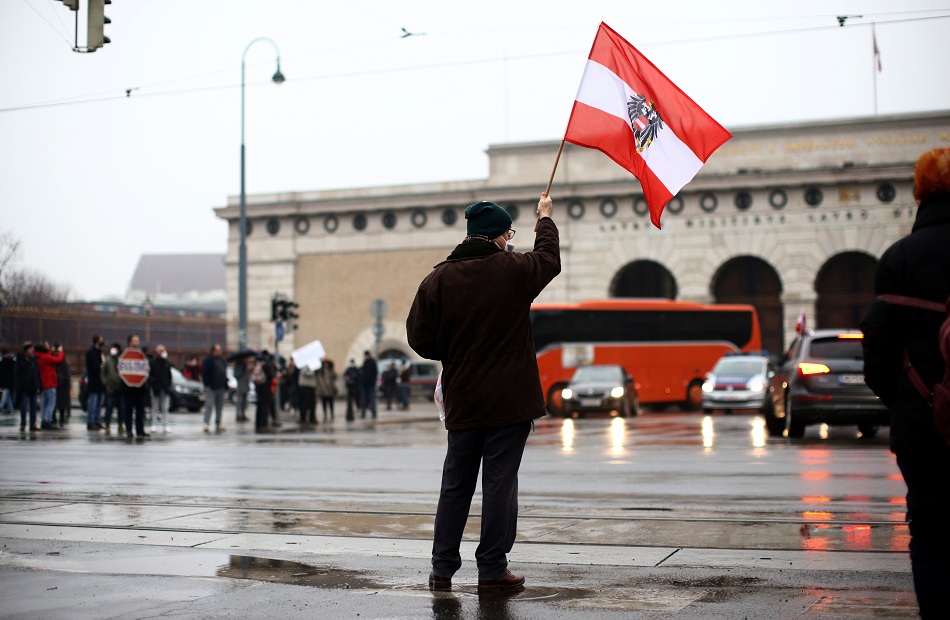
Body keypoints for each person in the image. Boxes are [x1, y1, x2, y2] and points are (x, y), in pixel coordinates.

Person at [407, 193, 559, 593]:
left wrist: (455, 354)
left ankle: (442, 570)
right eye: (508, 234)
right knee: (499, 484)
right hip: (509, 401)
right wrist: (544, 218)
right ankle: (492, 570)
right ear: (496, 237)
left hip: (464, 399)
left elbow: (419, 339)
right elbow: (549, 258)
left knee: (455, 484)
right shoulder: (513, 269)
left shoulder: (437, 279)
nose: (510, 240)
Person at [861, 147, 950, 619]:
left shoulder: (902, 258)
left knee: (932, 536)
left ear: (921, 192)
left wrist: (903, 400)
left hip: (926, 424)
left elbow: (876, 349)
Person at [120, 334, 149, 439]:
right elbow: (121, 369)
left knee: (140, 410)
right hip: (128, 387)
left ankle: (140, 430)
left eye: (138, 340)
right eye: (136, 340)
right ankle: (129, 430)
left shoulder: (141, 354)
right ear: (130, 342)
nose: (138, 342)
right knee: (129, 409)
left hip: (140, 387)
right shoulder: (125, 354)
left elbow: (146, 366)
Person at [35, 341, 64, 430]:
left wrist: (52, 352)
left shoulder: (41, 357)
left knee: (44, 403)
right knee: (51, 403)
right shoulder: (46, 357)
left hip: (44, 384)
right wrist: (60, 352)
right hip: (50, 383)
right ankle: (47, 420)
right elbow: (58, 360)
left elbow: (49, 356)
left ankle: (44, 419)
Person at [14, 341, 40, 432]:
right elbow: (17, 374)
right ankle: (23, 423)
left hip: (33, 386)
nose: (33, 350)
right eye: (31, 348)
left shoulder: (34, 359)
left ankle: (32, 424)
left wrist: (38, 384)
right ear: (26, 350)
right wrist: (18, 386)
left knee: (33, 407)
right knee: (24, 407)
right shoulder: (20, 360)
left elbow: (37, 373)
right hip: (24, 386)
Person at [201, 344, 227, 433]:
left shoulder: (222, 360)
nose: (220, 351)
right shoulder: (208, 360)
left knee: (219, 406)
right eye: (218, 350)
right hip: (211, 387)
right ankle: (206, 423)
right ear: (213, 351)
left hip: (221, 386)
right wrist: (206, 384)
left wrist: (225, 383)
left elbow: (224, 372)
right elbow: (204, 373)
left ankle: (218, 422)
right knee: (209, 405)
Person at [149, 344, 173, 433]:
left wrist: (168, 385)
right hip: (156, 388)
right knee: (154, 407)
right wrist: (153, 384)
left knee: (165, 408)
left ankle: (166, 425)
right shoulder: (153, 362)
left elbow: (169, 376)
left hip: (165, 389)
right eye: (161, 351)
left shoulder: (166, 363)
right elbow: (150, 376)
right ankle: (154, 424)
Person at [101, 342, 123, 436]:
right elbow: (103, 372)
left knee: (121, 408)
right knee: (109, 407)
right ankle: (107, 426)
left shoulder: (122, 359)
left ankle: (120, 425)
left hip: (120, 388)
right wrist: (105, 382)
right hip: (110, 388)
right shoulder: (108, 359)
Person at [84, 335, 105, 430]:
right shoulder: (90, 353)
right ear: (97, 341)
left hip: (100, 381)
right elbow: (90, 367)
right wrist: (99, 366)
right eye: (101, 340)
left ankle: (97, 420)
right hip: (93, 380)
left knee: (99, 403)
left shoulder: (99, 352)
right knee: (92, 402)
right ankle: (90, 421)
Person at [253, 350, 276, 433]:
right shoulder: (267, 364)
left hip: (259, 388)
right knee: (265, 406)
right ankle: (263, 423)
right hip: (265, 388)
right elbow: (271, 375)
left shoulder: (258, 364)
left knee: (259, 405)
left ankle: (258, 423)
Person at [297, 363, 318, 427]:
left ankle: (311, 417)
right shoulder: (305, 366)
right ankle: (303, 418)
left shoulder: (312, 366)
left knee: (312, 404)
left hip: (311, 387)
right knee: (305, 403)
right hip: (306, 387)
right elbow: (306, 373)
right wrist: (314, 371)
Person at [359, 351, 378, 419]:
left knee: (371, 398)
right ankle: (364, 413)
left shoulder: (371, 363)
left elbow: (375, 373)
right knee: (364, 399)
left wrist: (372, 381)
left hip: (370, 384)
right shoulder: (365, 363)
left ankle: (373, 412)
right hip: (365, 384)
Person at [55, 347, 71, 427]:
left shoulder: (57, 365)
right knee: (61, 407)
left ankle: (57, 420)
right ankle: (60, 420)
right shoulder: (65, 366)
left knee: (58, 406)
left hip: (59, 387)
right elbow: (67, 377)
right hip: (62, 388)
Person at [234, 357, 251, 422]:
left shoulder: (245, 365)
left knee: (244, 402)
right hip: (241, 386)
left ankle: (243, 414)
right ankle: (239, 415)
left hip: (245, 386)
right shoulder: (238, 366)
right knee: (240, 401)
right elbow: (237, 375)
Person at [0, 349, 15, 414]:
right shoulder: (11, 362)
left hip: (5, 382)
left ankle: (3, 407)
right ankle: (10, 409)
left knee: (5, 397)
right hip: (8, 382)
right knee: (7, 397)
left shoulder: (2, 362)